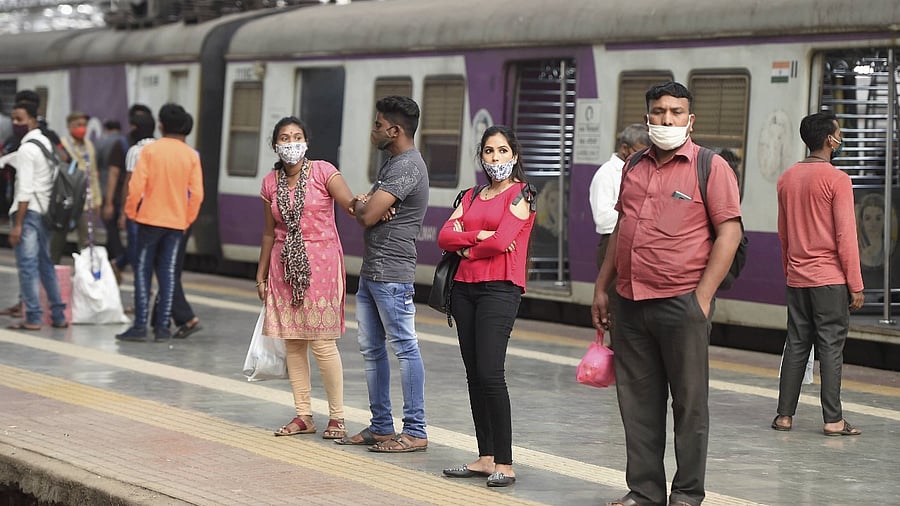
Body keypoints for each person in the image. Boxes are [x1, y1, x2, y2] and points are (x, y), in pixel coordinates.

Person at [591, 81, 742, 506]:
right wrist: (602, 288)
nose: (667, 119)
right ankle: (645, 492)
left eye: (677, 112)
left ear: (690, 120)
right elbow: (621, 230)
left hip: (682, 302)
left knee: (689, 407)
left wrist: (702, 299)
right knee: (638, 405)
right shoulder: (633, 166)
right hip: (630, 302)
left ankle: (688, 495)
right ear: (648, 117)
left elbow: (729, 233)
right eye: (660, 111)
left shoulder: (709, 167)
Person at [437, 125, 536, 488]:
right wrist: (475, 238)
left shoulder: (522, 194)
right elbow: (443, 236)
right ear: (481, 156)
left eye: (503, 151)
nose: (496, 158)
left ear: (515, 155)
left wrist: (465, 246)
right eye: (489, 152)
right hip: (463, 290)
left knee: (492, 374)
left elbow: (505, 240)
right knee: (475, 375)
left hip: (500, 290)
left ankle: (505, 462)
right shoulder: (471, 194)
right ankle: (485, 456)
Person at [335, 95, 429, 453]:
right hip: (374, 271)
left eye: (377, 126)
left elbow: (366, 214)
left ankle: (416, 429)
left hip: (392, 273)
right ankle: (381, 426)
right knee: (372, 350)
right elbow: (365, 207)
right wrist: (367, 204)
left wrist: (367, 206)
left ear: (395, 130)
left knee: (405, 348)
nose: (373, 131)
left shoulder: (407, 166)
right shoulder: (393, 164)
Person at [257, 116, 355, 439]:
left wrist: (369, 205)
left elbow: (349, 203)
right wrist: (261, 277)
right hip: (283, 268)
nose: (291, 143)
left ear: (307, 142)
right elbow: (270, 234)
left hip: (322, 266)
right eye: (284, 138)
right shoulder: (270, 183)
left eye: (297, 136)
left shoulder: (324, 172)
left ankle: (337, 417)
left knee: (322, 343)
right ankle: (304, 415)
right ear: (275, 145)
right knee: (294, 343)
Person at [772, 111, 864, 437]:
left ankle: (784, 415)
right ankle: (833, 419)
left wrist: (789, 271)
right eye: (838, 134)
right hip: (829, 280)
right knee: (830, 346)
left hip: (797, 277)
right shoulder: (837, 180)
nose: (840, 139)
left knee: (796, 342)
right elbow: (845, 237)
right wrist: (856, 284)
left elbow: (783, 234)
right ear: (829, 139)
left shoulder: (786, 179)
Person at [116, 103, 203, 342]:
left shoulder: (150, 151)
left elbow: (136, 187)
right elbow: (197, 194)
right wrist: (186, 220)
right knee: (167, 274)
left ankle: (140, 326)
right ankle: (163, 328)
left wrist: (131, 212)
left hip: (149, 220)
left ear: (161, 125)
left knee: (143, 273)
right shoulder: (191, 155)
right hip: (176, 224)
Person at [4, 101, 67, 331]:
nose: (15, 123)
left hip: (29, 213)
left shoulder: (28, 149)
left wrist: (17, 224)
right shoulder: (44, 143)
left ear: (32, 119)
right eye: (13, 119)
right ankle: (58, 314)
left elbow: (25, 190)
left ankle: (33, 316)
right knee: (45, 264)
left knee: (28, 265)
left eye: (19, 119)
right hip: (45, 212)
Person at [589, 123, 649, 270]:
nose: (643, 158)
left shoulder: (639, 171)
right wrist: (636, 214)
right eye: (639, 153)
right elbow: (602, 219)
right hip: (612, 244)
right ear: (624, 148)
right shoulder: (606, 174)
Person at [52, 111, 102, 263]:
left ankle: (84, 275)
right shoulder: (62, 145)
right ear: (69, 126)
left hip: (86, 202)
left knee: (86, 241)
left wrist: (97, 200)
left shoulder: (89, 146)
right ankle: (52, 270)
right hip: (66, 200)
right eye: (78, 125)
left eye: (84, 125)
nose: (82, 128)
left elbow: (93, 174)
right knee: (57, 239)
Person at [97, 120, 129, 266]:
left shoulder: (101, 142)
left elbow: (101, 167)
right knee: (114, 225)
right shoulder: (125, 142)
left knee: (110, 225)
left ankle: (118, 255)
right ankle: (111, 256)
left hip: (106, 186)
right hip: (123, 188)